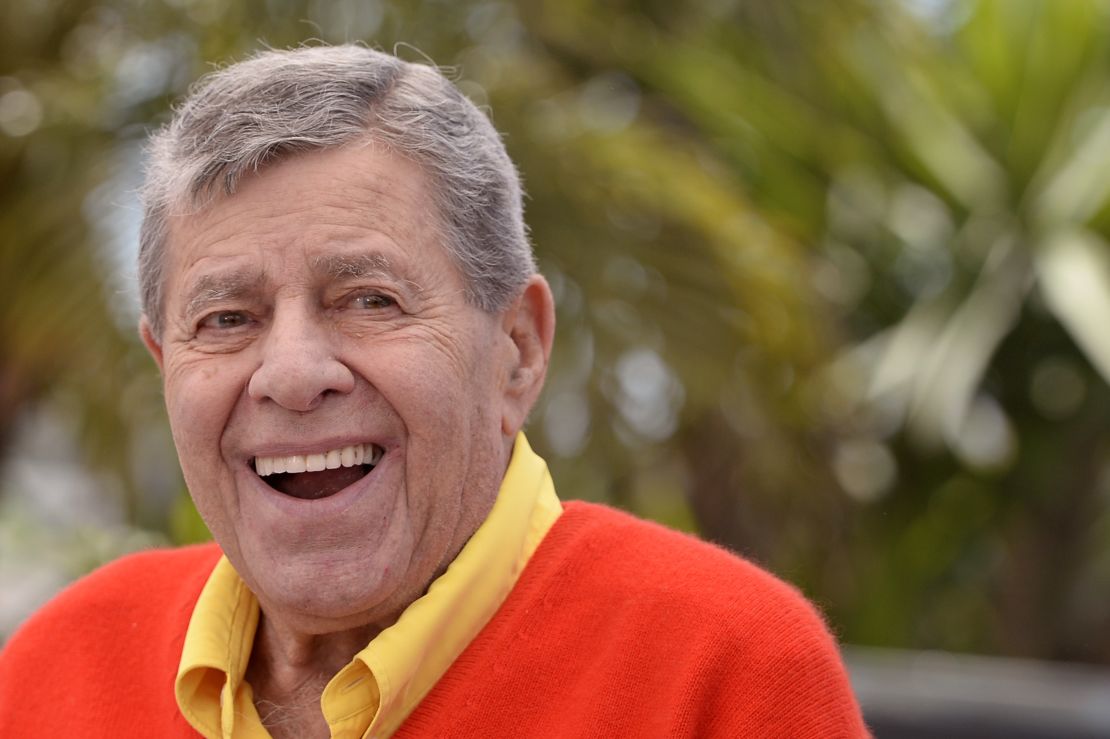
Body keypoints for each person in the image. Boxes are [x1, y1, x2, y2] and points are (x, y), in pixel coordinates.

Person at [0, 44, 870, 738]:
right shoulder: (56, 667)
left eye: (368, 299)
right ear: (165, 365)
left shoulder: (726, 669)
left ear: (518, 350)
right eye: (227, 318)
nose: (294, 374)